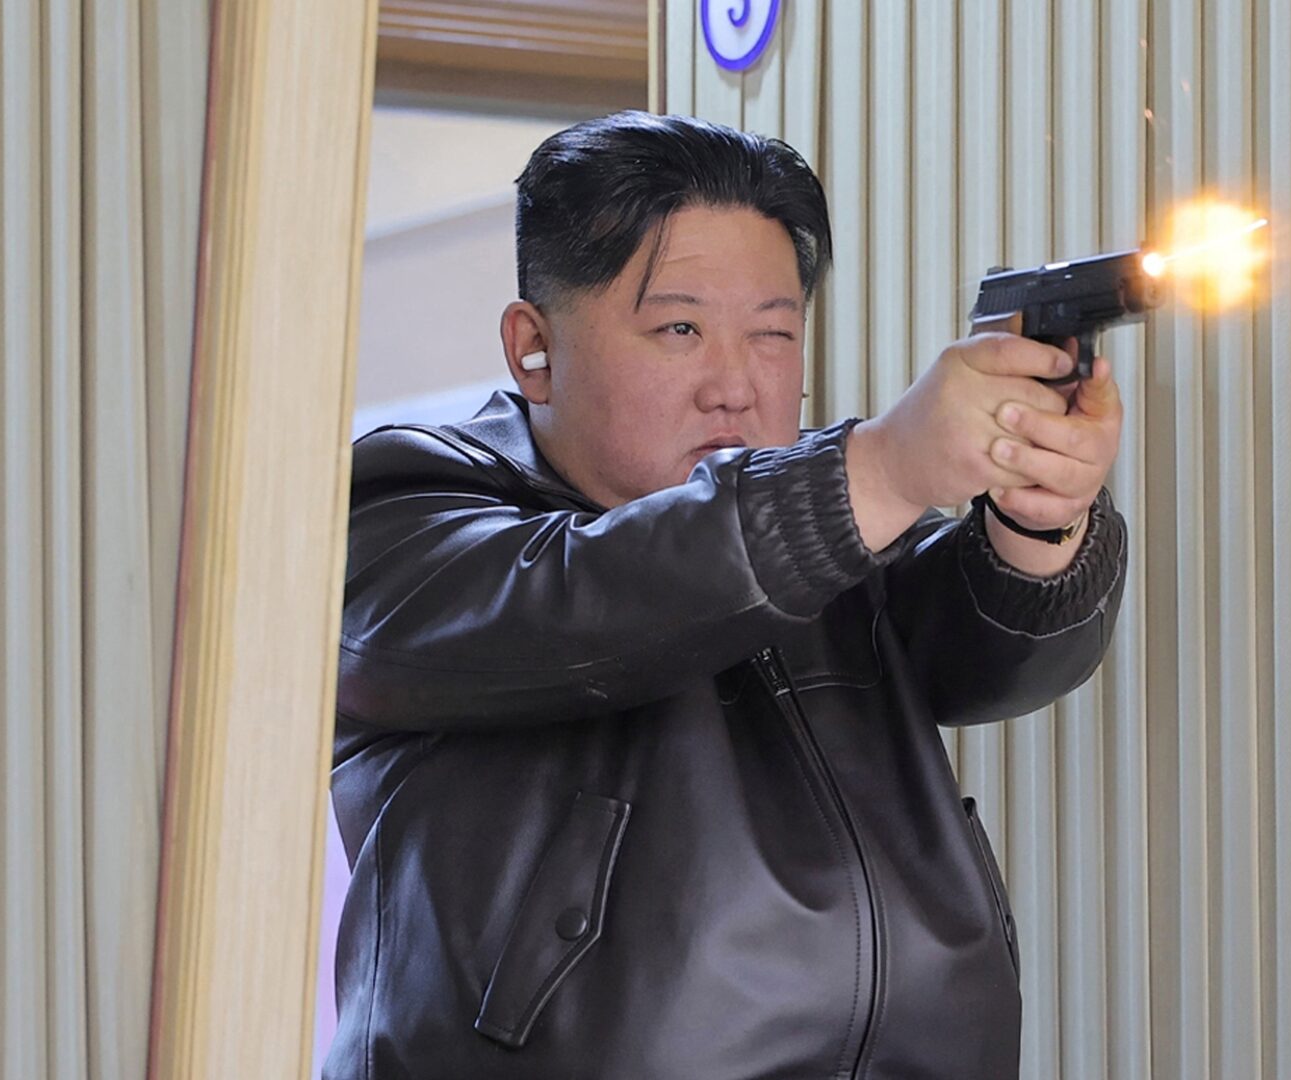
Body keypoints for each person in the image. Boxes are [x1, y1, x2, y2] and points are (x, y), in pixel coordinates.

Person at [325, 111, 1127, 1079]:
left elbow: (988, 649)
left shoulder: (810, 507)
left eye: (773, 334)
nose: (736, 387)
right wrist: (877, 470)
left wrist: (1039, 513)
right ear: (533, 347)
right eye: (681, 329)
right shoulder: (402, 509)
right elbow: (588, 596)